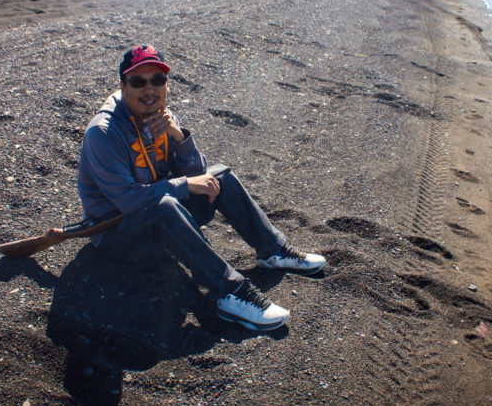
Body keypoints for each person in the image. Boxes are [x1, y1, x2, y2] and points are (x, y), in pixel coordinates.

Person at [77, 45, 326, 331]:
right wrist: (185, 185)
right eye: (138, 81)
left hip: (160, 221)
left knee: (219, 176)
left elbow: (195, 173)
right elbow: (128, 201)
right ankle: (231, 292)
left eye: (157, 79)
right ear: (123, 86)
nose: (150, 89)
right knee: (166, 205)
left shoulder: (161, 115)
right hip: (116, 234)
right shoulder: (104, 133)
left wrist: (177, 135)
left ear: (167, 84)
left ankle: (273, 251)